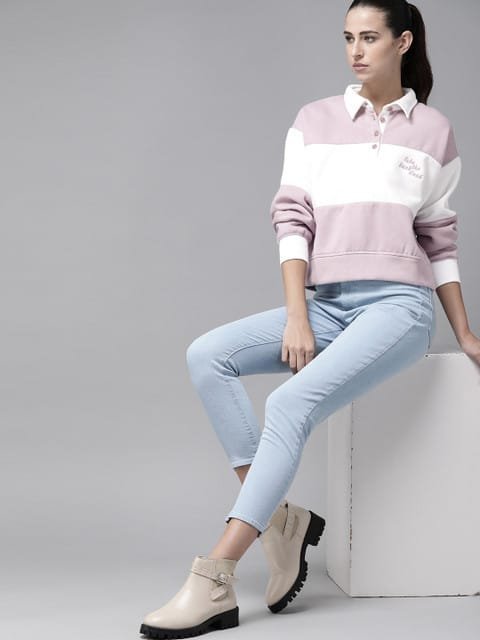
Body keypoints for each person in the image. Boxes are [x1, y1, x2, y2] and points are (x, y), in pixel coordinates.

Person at [139, 1, 480, 637]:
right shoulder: (314, 121)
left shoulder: (434, 131)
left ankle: (215, 574)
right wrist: (298, 315)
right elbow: (292, 218)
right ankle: (280, 521)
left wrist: (462, 331)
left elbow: (439, 239)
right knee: (207, 355)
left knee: (290, 403)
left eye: (370, 37)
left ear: (403, 42)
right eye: (348, 38)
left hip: (398, 308)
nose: (356, 50)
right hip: (326, 303)